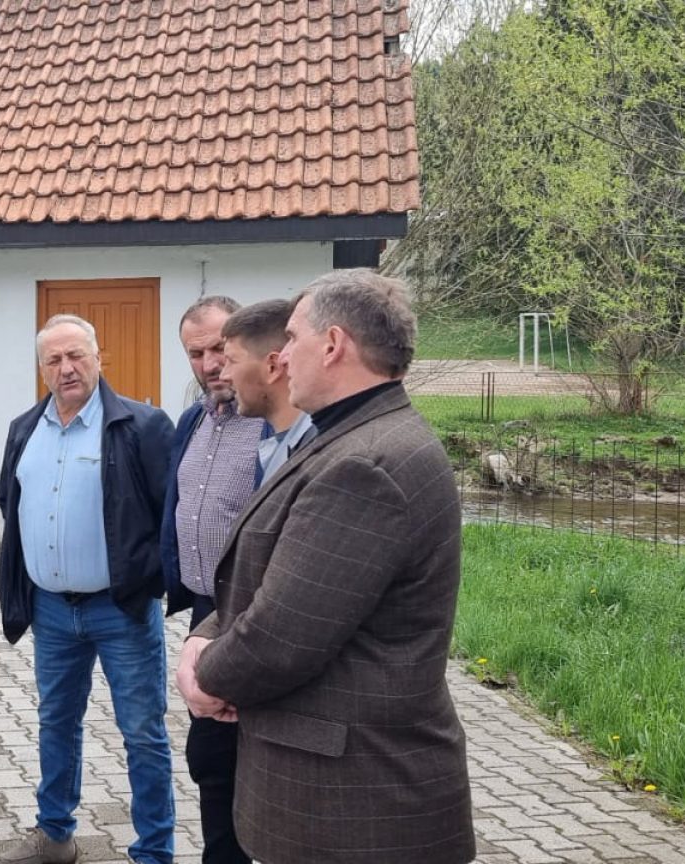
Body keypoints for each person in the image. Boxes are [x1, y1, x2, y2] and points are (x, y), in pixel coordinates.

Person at [179, 270, 475, 864]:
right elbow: (271, 577)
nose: (282, 356)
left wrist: (202, 675)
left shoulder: (364, 464)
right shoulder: (351, 437)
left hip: (353, 805)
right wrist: (203, 636)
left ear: (333, 344)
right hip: (343, 796)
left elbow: (280, 638)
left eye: (292, 338)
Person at [0, 314, 176, 864]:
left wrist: (146, 579)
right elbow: (9, 501)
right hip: (52, 611)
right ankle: (55, 836)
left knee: (142, 733)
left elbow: (167, 513)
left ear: (99, 357)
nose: (67, 368)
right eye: (54, 359)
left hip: (121, 609)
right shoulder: (24, 429)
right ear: (41, 368)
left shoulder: (142, 425)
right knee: (56, 723)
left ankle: (154, 852)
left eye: (76, 355)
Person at [159, 296, 266, 864]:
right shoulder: (192, 422)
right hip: (205, 614)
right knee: (211, 759)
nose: (210, 364)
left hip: (258, 618)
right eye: (195, 354)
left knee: (251, 759)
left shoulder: (276, 427)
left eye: (220, 348)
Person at [216, 299, 314, 478]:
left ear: (273, 367)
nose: (224, 375)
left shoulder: (313, 458)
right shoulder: (289, 448)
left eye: (232, 361)